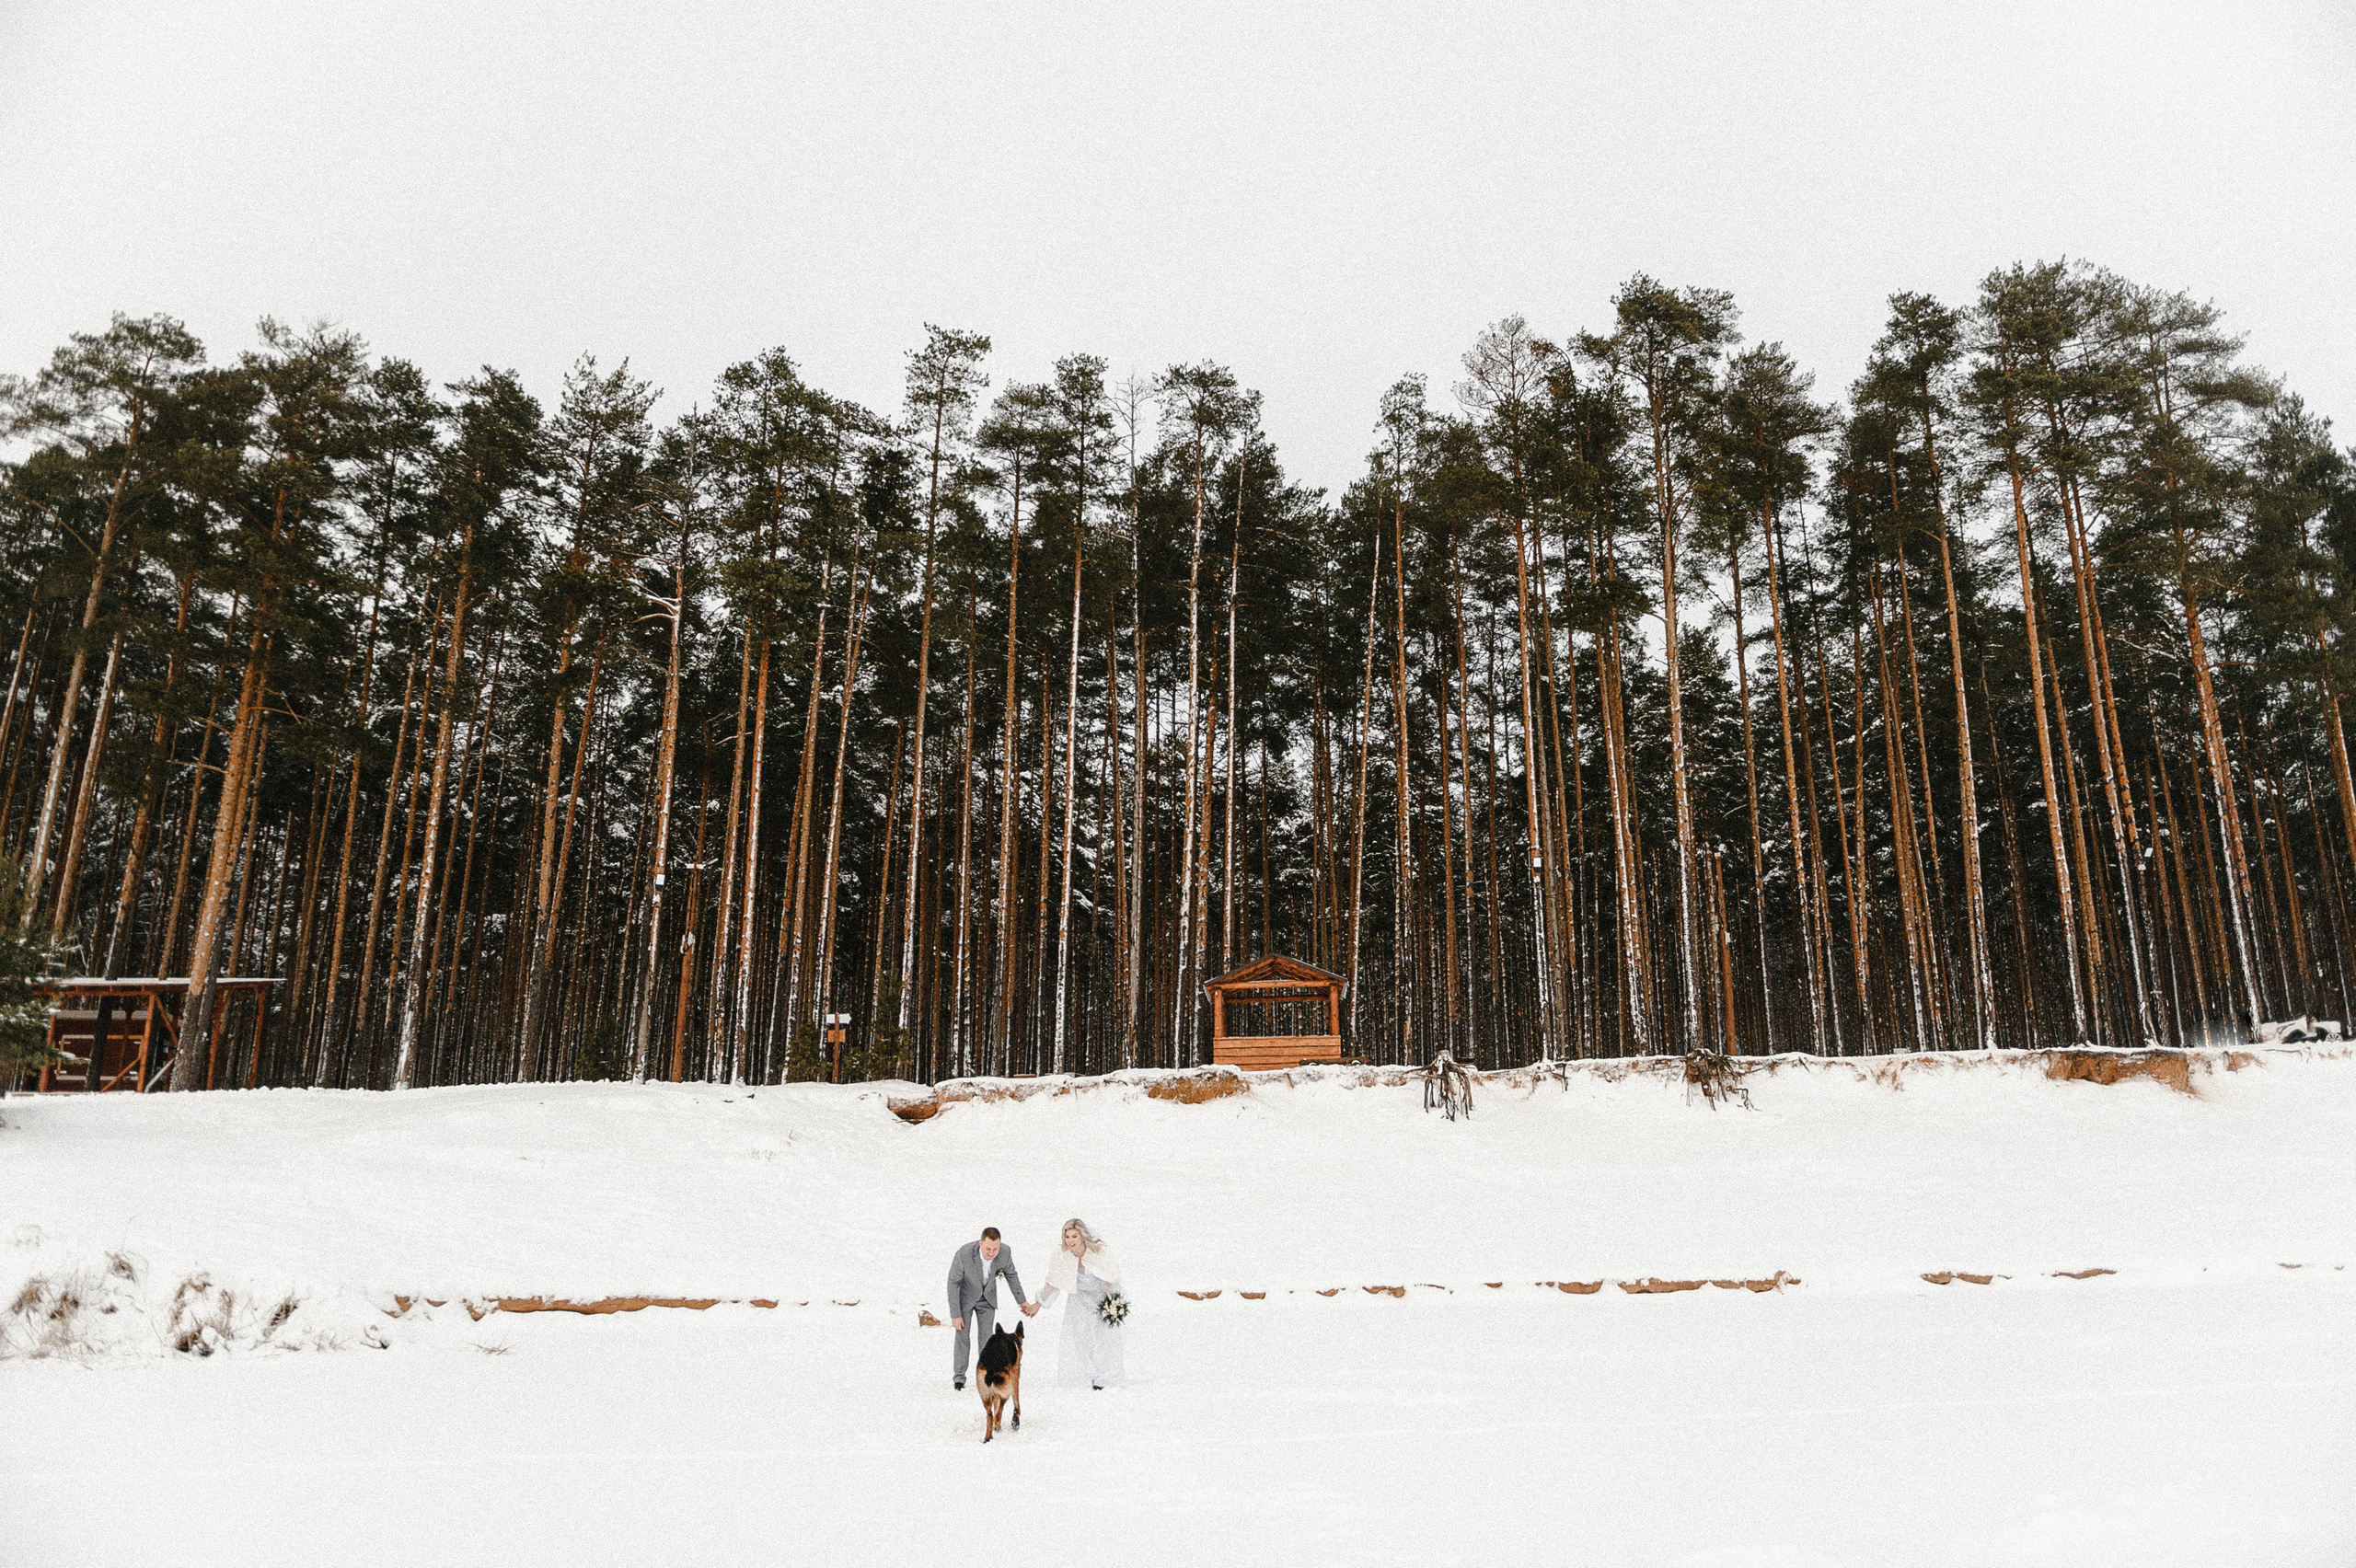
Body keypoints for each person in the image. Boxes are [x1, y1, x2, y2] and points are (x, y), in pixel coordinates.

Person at [1035, 1217, 1126, 1389]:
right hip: (1079, 1297)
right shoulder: (1062, 1254)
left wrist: (1112, 1304)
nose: (1071, 1241)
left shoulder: (1098, 1251)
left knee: (1104, 1336)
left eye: (1074, 1236)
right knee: (1077, 1335)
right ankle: (1080, 1376)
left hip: (1101, 1297)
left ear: (1082, 1236)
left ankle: (1104, 1377)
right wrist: (1039, 1303)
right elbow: (1053, 1281)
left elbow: (1108, 1279)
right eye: (1067, 1237)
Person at [946, 1226, 1035, 1390]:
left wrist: (1022, 1301)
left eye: (995, 1249)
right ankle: (959, 1378)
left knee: (987, 1340)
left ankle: (987, 1375)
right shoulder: (964, 1254)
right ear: (980, 1243)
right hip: (965, 1299)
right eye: (988, 1248)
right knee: (962, 1338)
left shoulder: (1005, 1253)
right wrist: (955, 1314)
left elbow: (1012, 1276)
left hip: (987, 1300)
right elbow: (953, 1283)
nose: (991, 1253)